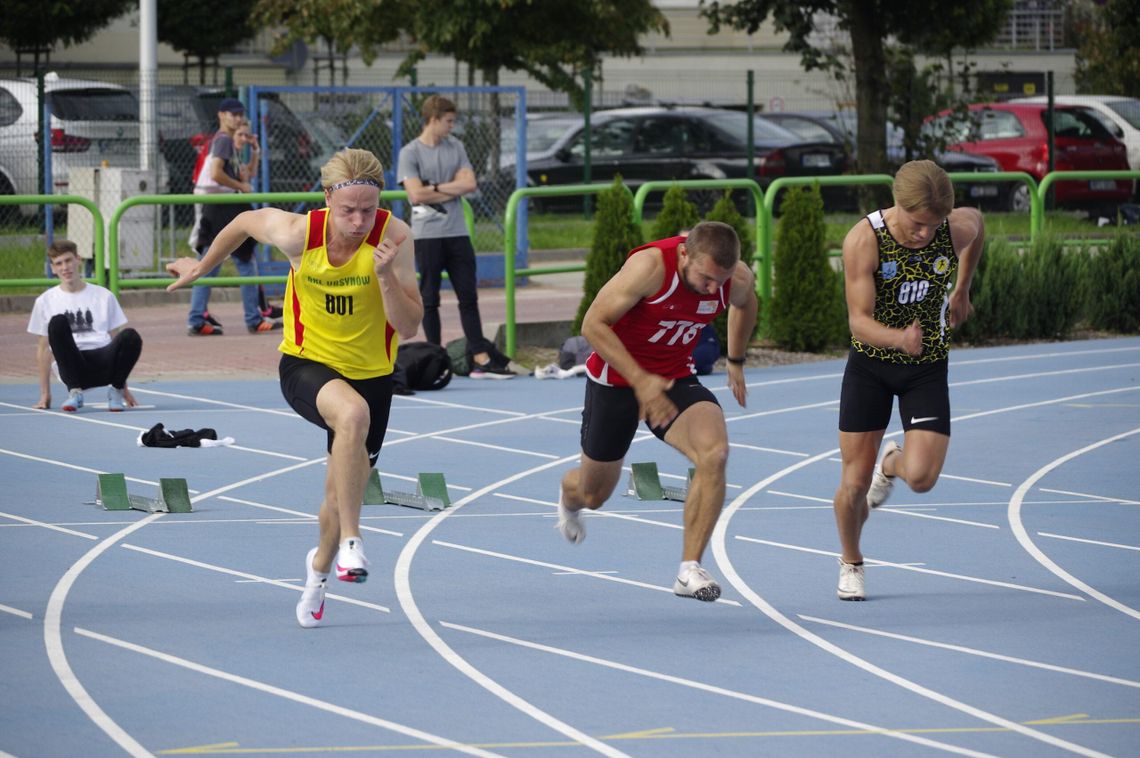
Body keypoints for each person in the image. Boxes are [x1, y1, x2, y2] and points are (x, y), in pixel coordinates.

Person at [166, 148, 423, 628]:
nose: (359, 221)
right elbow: (243, 221)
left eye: (369, 209)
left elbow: (409, 326)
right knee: (351, 416)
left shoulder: (395, 238)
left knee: (335, 493)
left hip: (373, 376)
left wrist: (386, 276)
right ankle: (354, 542)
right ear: (327, 200)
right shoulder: (299, 233)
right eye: (348, 210)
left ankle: (320, 571)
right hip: (308, 365)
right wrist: (201, 268)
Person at [556, 221, 759, 602]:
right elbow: (592, 325)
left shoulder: (737, 278)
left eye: (722, 280)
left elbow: (746, 305)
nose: (714, 289)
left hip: (675, 377)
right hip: (616, 380)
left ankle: (689, 569)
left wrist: (735, 357)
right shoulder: (650, 268)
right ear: (685, 254)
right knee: (594, 493)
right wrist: (640, 380)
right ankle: (569, 497)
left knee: (714, 454)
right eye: (706, 278)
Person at [832, 159, 985, 601]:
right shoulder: (865, 239)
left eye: (933, 225)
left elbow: (977, 226)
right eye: (918, 224)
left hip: (927, 367)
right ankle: (851, 560)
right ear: (898, 205)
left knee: (920, 478)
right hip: (871, 367)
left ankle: (891, 462)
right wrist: (899, 338)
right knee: (853, 485)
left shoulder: (952, 229)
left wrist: (962, 287)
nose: (925, 234)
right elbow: (858, 323)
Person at [396, 94, 513, 378]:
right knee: (429, 297)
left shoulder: (456, 146)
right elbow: (415, 194)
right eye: (448, 121)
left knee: (467, 295)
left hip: (457, 232)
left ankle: (480, 355)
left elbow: (470, 184)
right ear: (433, 120)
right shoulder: (410, 152)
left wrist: (433, 186)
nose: (451, 126)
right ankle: (434, 355)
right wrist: (450, 187)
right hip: (427, 234)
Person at [186, 98, 280, 336]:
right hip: (224, 207)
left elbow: (246, 175)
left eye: (240, 115)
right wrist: (239, 185)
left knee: (209, 264)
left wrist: (255, 151)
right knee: (245, 261)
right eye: (233, 114)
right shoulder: (224, 140)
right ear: (221, 115)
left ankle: (197, 318)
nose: (238, 119)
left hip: (219, 207)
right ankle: (253, 317)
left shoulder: (226, 143)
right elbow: (217, 174)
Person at [27, 240, 142, 412]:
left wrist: (125, 390)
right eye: (59, 263)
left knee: (130, 336)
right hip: (73, 367)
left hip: (104, 363)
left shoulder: (104, 296)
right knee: (57, 322)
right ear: (52, 268)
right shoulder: (45, 301)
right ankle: (74, 392)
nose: (65, 267)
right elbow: (43, 350)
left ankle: (116, 391)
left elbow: (116, 342)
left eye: (68, 260)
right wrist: (45, 395)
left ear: (78, 260)